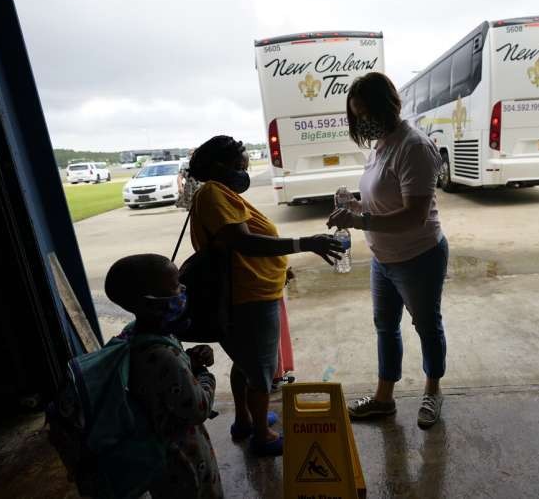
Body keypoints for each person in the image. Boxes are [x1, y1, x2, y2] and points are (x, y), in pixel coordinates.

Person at [188, 135, 343, 456]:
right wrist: (305, 243)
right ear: (220, 166)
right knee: (261, 372)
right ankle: (262, 434)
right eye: (240, 164)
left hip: (255, 291)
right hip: (249, 298)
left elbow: (247, 243)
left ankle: (245, 420)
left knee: (244, 363)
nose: (245, 170)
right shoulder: (213, 194)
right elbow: (244, 243)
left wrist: (279, 266)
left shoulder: (222, 193)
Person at [326, 72, 449, 429]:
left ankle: (432, 391)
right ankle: (384, 399)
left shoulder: (413, 146)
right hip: (384, 259)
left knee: (427, 325)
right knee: (385, 326)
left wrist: (358, 221)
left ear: (390, 104)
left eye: (368, 111)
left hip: (418, 256)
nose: (364, 120)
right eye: (357, 114)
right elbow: (382, 198)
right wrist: (356, 202)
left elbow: (413, 215)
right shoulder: (381, 146)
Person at [104, 254, 222, 498]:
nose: (183, 290)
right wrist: (202, 373)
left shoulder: (134, 335)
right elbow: (198, 407)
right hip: (180, 459)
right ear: (150, 303)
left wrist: (188, 359)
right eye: (176, 286)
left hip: (160, 455)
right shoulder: (162, 355)